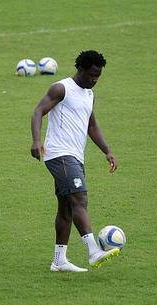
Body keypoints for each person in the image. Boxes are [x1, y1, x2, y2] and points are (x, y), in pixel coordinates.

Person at [30, 50, 120, 272]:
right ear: (81, 69)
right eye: (91, 75)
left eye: (98, 76)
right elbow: (38, 111)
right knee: (79, 199)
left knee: (67, 209)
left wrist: (107, 151)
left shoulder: (89, 94)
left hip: (75, 156)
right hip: (59, 154)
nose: (95, 80)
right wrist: (35, 140)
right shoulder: (61, 88)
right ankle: (93, 251)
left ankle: (59, 261)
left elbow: (92, 126)